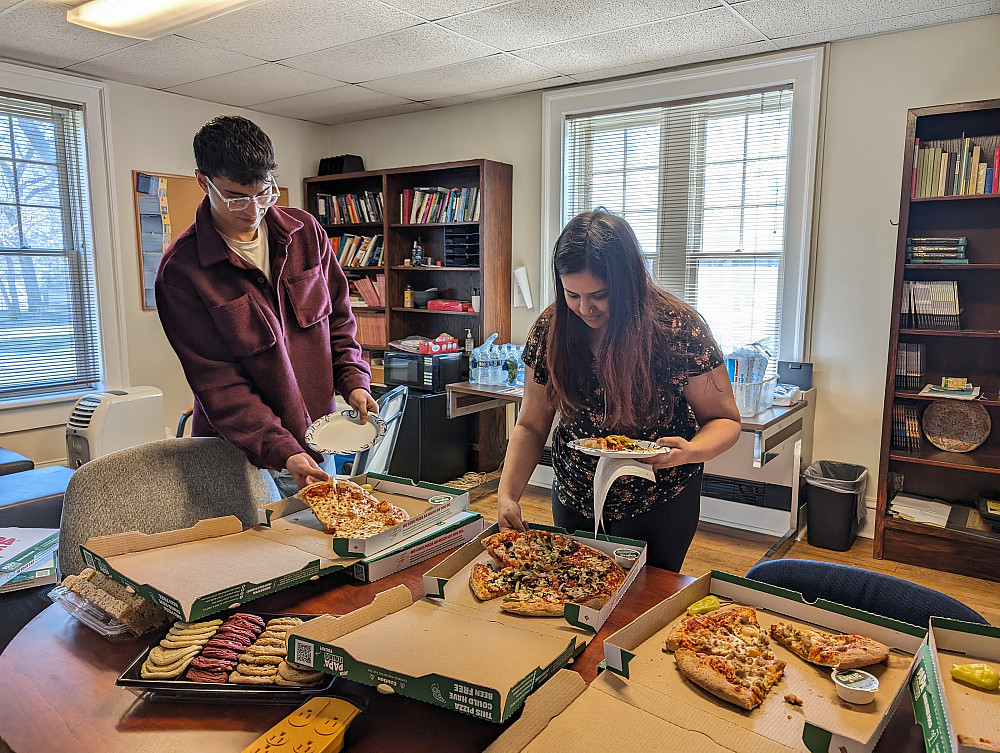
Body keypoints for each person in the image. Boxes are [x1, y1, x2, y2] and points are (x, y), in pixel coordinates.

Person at [496, 210, 741, 572]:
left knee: (645, 605)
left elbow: (724, 419)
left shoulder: (677, 329)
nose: (584, 308)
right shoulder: (550, 329)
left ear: (629, 282)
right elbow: (531, 425)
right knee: (577, 591)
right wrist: (506, 494)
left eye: (600, 295)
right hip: (575, 493)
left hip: (660, 499)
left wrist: (691, 451)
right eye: (572, 295)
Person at [155, 115, 376, 496]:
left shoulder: (305, 233)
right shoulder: (182, 272)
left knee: (326, 549)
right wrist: (282, 448)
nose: (253, 209)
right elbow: (218, 384)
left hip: (316, 438)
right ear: (202, 181)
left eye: (263, 193)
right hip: (237, 454)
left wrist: (354, 381)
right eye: (237, 197)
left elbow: (338, 321)